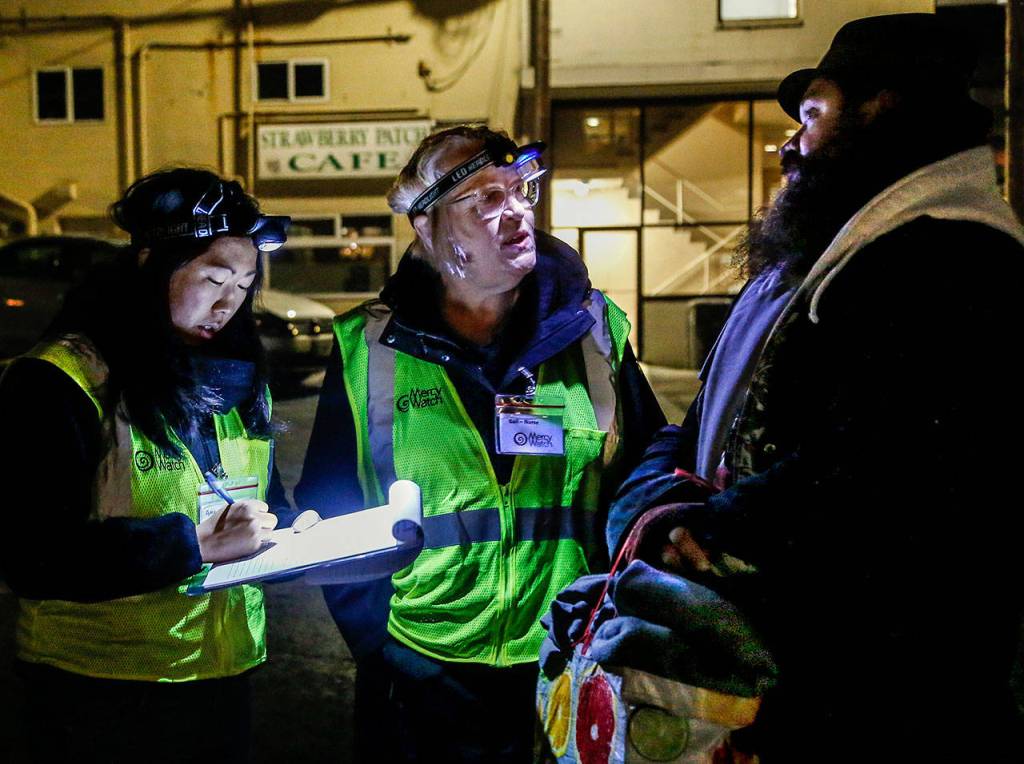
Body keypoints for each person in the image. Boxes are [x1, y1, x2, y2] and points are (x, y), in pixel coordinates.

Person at [547, 13, 1024, 762]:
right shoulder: (807, 270)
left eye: (812, 114)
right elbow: (700, 422)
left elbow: (887, 471)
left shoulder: (958, 260)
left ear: (882, 110)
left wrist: (706, 529)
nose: (790, 143)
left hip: (875, 698)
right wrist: (653, 504)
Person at [295, 125, 665, 761]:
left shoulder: (592, 330)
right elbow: (331, 507)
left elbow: (648, 474)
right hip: (422, 672)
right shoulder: (368, 348)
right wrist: (376, 645)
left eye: (519, 191)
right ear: (427, 227)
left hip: (567, 660)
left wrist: (615, 625)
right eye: (485, 200)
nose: (516, 211)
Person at [0, 168, 292, 762]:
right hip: (96, 695)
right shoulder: (60, 380)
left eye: (244, 283)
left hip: (223, 680)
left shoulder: (240, 379)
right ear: (150, 265)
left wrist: (293, 539)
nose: (228, 302)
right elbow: (30, 554)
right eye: (213, 277)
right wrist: (196, 546)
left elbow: (267, 504)